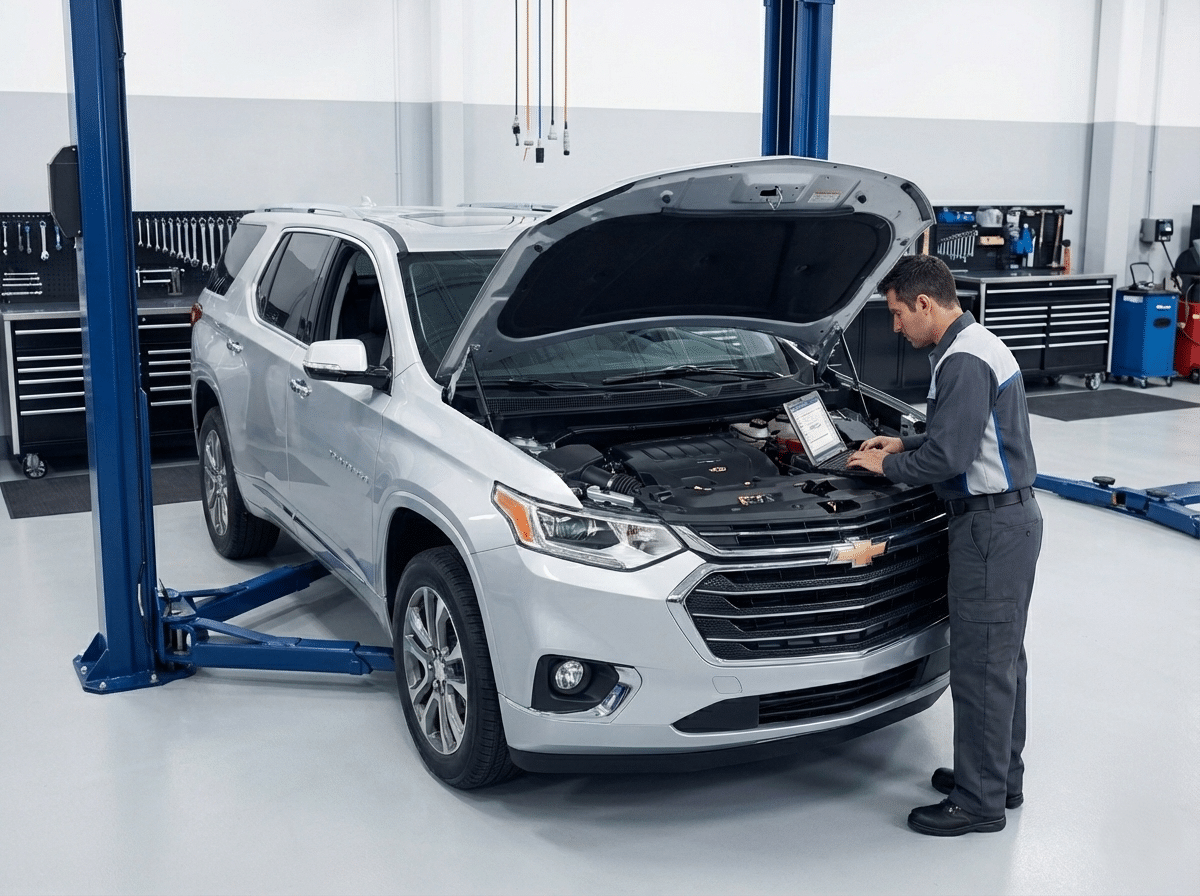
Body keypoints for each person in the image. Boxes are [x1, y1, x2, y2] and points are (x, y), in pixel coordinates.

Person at [848, 254, 1042, 836]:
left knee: (981, 665)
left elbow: (949, 458)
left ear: (926, 304)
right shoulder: (976, 343)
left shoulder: (960, 360)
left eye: (898, 313)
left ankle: (978, 803)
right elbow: (965, 430)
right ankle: (997, 777)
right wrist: (903, 438)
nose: (896, 327)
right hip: (1010, 522)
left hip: (988, 529)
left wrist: (888, 465)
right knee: (1002, 659)